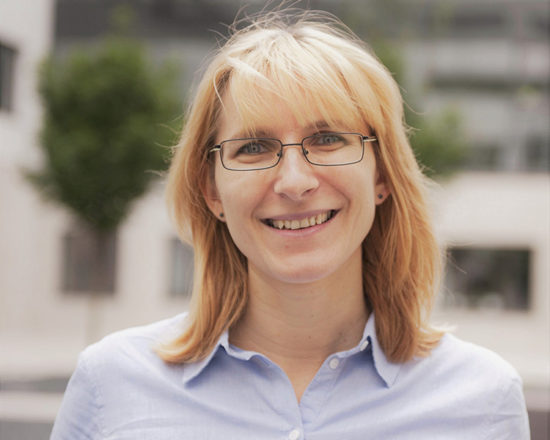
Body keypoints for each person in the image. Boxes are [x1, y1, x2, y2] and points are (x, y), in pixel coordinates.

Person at [51, 9, 530, 440]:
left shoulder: (482, 401)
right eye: (253, 147)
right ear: (212, 191)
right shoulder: (110, 386)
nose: (294, 182)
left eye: (326, 138)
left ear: (381, 174)